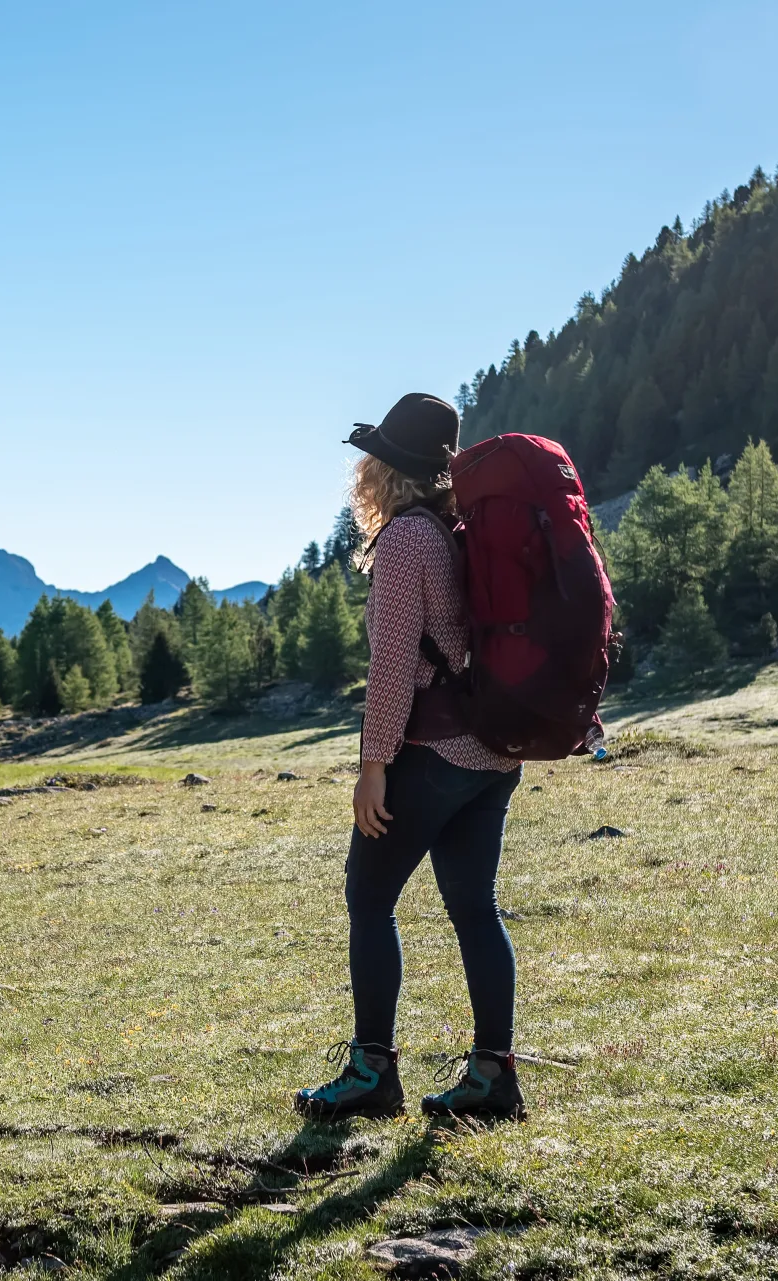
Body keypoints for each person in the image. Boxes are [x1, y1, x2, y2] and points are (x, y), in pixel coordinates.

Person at [293, 393, 528, 1123]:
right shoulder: (466, 530)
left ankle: (372, 1073)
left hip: (432, 755)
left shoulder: (403, 541)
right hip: (492, 753)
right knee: (474, 908)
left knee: (368, 897)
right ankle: (492, 1075)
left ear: (386, 469)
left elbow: (393, 664)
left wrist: (372, 766)